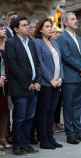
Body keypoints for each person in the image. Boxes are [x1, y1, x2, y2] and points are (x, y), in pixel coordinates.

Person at [4, 16, 41, 155]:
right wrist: (28, 83)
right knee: (20, 118)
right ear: (16, 28)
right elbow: (13, 67)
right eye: (24, 25)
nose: (28, 27)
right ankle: (17, 145)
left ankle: (26, 144)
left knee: (29, 117)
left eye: (28, 24)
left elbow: (37, 64)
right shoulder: (11, 43)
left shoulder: (30, 42)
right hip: (20, 87)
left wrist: (37, 81)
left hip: (33, 87)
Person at [56, 12, 81, 144]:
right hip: (70, 78)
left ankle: (78, 132)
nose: (76, 21)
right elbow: (66, 56)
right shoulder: (62, 38)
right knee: (69, 107)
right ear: (65, 23)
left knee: (78, 106)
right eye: (72, 19)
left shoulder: (79, 37)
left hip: (80, 77)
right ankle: (70, 134)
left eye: (76, 18)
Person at [33, 18, 63, 149]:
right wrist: (51, 79)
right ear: (40, 29)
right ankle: (43, 139)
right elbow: (40, 64)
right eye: (47, 26)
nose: (50, 29)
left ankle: (51, 138)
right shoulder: (37, 43)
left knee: (51, 112)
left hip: (57, 83)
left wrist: (60, 78)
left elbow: (60, 62)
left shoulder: (54, 43)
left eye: (51, 26)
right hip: (46, 83)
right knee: (43, 112)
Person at [0, 20, 11, 154]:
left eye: (3, 28)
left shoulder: (8, 45)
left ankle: (3, 137)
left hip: (7, 83)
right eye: (1, 28)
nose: (3, 30)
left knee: (5, 111)